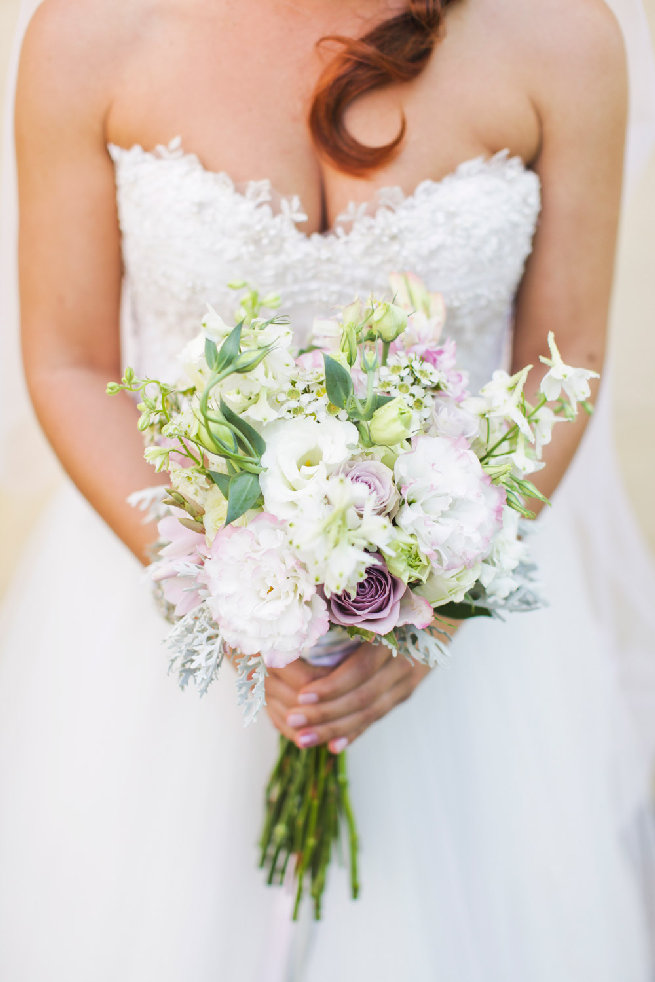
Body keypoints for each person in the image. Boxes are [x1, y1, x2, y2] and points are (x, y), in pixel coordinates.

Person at [0, 0, 653, 979]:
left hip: (463, 650)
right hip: (161, 626)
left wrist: (428, 609)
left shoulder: (562, 34)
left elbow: (566, 358)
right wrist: (224, 587)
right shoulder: (91, 30)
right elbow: (66, 359)